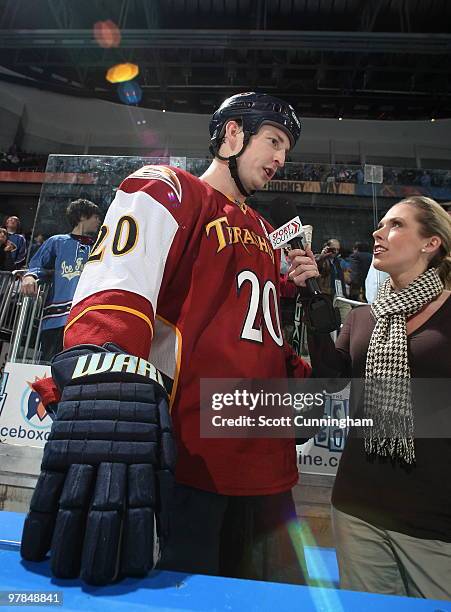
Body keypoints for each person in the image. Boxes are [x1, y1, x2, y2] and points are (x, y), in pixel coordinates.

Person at [21, 93, 313, 585]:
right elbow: (116, 295)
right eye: (274, 141)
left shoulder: (265, 231)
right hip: (192, 458)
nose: (282, 159)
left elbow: (250, 328)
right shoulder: (169, 189)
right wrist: (99, 369)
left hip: (267, 460)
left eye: (288, 148)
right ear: (233, 135)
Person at [287, 195, 451, 600]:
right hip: (357, 508)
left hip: (436, 517)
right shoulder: (362, 317)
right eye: (380, 225)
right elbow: (328, 381)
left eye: (395, 225)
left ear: (431, 243)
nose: (378, 233)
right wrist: (310, 296)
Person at [21, 199, 101, 362]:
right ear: (82, 216)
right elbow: (37, 264)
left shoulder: (100, 247)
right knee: (50, 366)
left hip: (87, 319)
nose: (99, 221)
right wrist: (30, 276)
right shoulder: (57, 241)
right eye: (95, 217)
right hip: (56, 320)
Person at [316, 238, 351, 323]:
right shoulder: (320, 258)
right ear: (326, 247)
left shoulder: (338, 261)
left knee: (347, 317)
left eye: (337, 249)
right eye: (333, 249)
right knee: (328, 322)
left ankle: (345, 334)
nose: (335, 251)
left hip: (339, 293)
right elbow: (317, 266)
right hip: (326, 294)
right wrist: (323, 256)